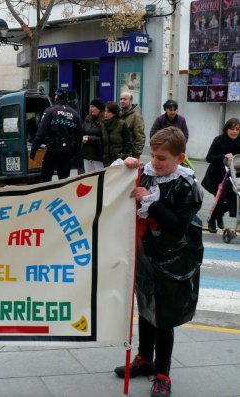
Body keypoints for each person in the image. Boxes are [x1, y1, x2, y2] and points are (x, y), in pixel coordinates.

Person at [116, 127, 203, 397]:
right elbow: (122, 180)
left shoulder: (187, 184)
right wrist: (127, 166)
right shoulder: (150, 172)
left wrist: (152, 203)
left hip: (175, 258)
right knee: (145, 307)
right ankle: (144, 358)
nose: (155, 162)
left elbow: (177, 226)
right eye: (152, 156)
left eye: (162, 158)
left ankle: (163, 373)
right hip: (147, 253)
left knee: (164, 317)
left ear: (180, 158)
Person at [29, 88, 82, 182]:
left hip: (53, 150)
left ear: (57, 96)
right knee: (64, 180)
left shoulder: (50, 111)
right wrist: (74, 152)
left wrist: (34, 149)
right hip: (67, 151)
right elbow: (79, 136)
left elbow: (41, 133)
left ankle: (48, 196)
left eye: (55, 95)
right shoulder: (75, 114)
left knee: (46, 178)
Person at [201, 117, 240, 233]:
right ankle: (212, 220)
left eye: (237, 129)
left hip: (235, 175)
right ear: (226, 129)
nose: (235, 132)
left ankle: (219, 214)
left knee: (234, 200)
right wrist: (223, 156)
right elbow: (209, 157)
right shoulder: (219, 140)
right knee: (218, 199)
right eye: (232, 129)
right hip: (217, 175)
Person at [101, 102, 132, 166]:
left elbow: (128, 141)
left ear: (114, 113)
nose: (105, 113)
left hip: (119, 160)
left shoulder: (121, 124)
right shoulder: (103, 124)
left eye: (108, 112)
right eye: (105, 111)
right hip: (106, 160)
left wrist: (123, 155)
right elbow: (102, 142)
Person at [81, 98, 105, 172]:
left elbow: (104, 138)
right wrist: (82, 138)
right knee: (89, 179)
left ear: (99, 109)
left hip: (99, 157)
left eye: (92, 107)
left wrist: (89, 139)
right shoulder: (88, 119)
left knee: (100, 179)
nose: (90, 109)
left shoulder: (104, 121)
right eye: (90, 107)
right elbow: (81, 132)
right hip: (87, 155)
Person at [120, 91, 145, 159]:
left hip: (130, 154)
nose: (122, 101)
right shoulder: (120, 114)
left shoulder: (136, 116)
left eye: (125, 99)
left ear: (131, 100)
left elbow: (140, 137)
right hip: (120, 153)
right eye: (121, 99)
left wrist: (136, 155)